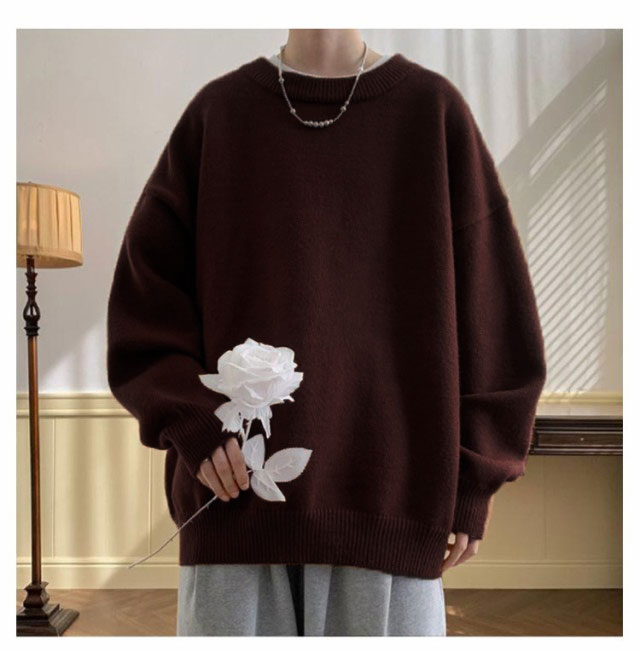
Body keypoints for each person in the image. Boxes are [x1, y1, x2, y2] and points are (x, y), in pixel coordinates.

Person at [106, 29, 547, 636]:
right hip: (235, 502)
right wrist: (193, 421)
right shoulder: (219, 114)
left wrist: (475, 479)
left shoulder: (432, 113)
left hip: (391, 500)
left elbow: (496, 315)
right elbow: (144, 303)